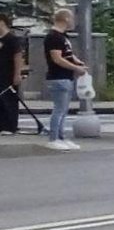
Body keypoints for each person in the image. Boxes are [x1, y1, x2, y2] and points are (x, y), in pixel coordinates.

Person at [41, 11, 84, 149]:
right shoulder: (53, 37)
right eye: (71, 18)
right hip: (58, 77)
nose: (73, 21)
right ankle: (53, 138)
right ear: (65, 18)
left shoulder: (63, 36)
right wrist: (76, 68)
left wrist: (78, 62)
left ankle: (61, 137)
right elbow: (57, 59)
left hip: (66, 76)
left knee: (63, 110)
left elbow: (68, 54)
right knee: (59, 109)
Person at [0, 21, 24, 136]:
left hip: (9, 74)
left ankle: (10, 126)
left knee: (9, 100)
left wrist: (17, 74)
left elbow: (18, 56)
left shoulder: (12, 39)